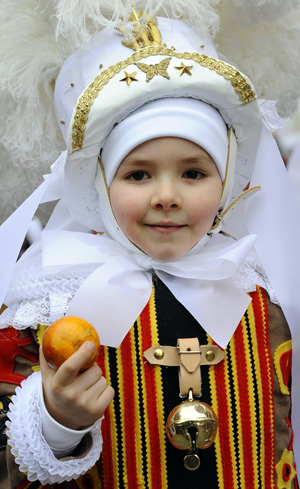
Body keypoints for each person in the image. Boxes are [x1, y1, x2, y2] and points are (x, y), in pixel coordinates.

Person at [1, 2, 300, 488]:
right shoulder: (44, 302)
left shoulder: (262, 293)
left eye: (194, 173)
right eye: (138, 173)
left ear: (227, 183)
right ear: (97, 184)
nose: (166, 196)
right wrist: (56, 424)